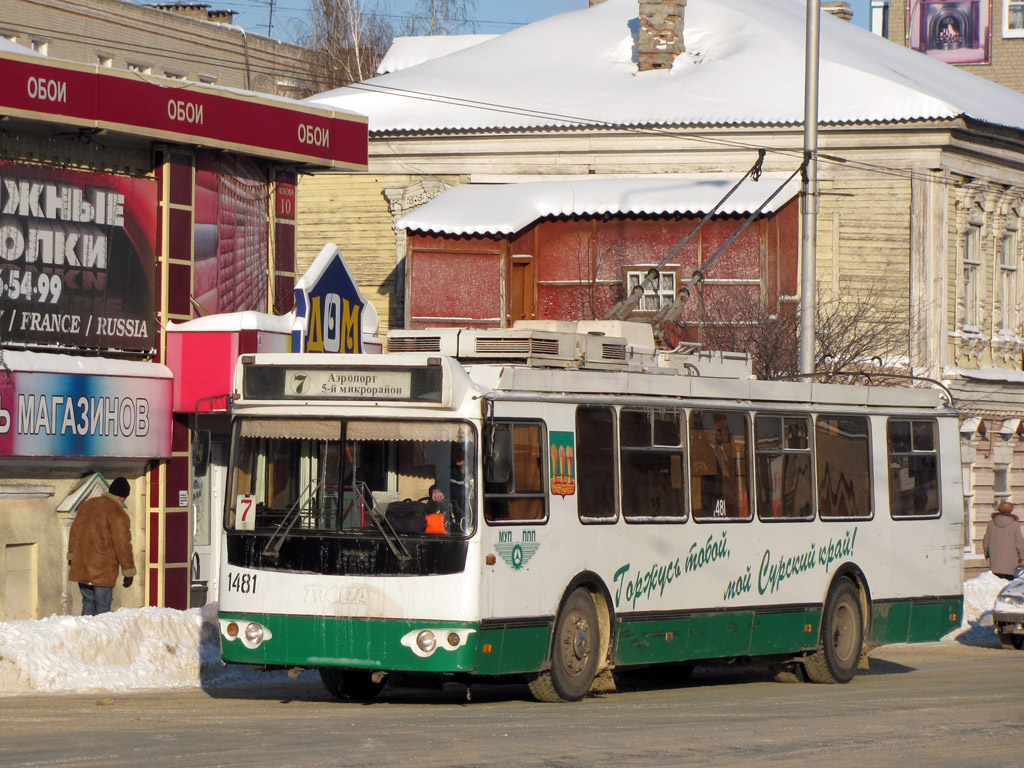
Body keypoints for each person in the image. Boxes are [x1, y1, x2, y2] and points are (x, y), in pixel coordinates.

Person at [68, 477, 137, 615]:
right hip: (102, 571)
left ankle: (86, 635)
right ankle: (101, 636)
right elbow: (123, 546)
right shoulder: (119, 514)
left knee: (87, 603)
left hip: (82, 567)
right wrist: (128, 571)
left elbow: (74, 532)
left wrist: (72, 556)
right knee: (102, 609)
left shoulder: (88, 505)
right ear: (123, 497)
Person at [983, 501, 1024, 580]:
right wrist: (1022, 559)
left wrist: (987, 553)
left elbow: (986, 540)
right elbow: (1019, 543)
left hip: (995, 561)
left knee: (996, 583)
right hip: (1011, 563)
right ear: (1011, 510)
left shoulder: (991, 523)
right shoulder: (1015, 524)